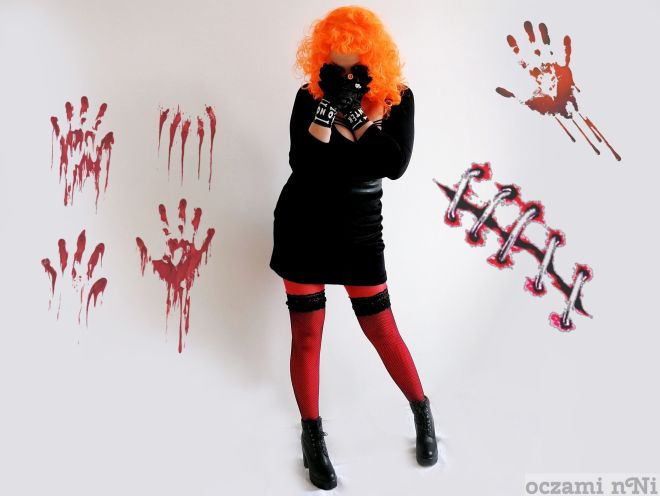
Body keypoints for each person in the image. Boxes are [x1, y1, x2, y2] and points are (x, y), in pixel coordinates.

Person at [269, 6, 438, 490]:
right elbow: (303, 163)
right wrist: (327, 106)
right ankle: (312, 437)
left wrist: (358, 114)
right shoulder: (309, 96)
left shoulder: (398, 98)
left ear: (372, 59)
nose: (345, 76)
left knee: (382, 329)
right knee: (307, 336)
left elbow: (393, 164)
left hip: (360, 231)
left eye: (355, 67)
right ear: (323, 61)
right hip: (303, 224)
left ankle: (422, 412)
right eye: (335, 67)